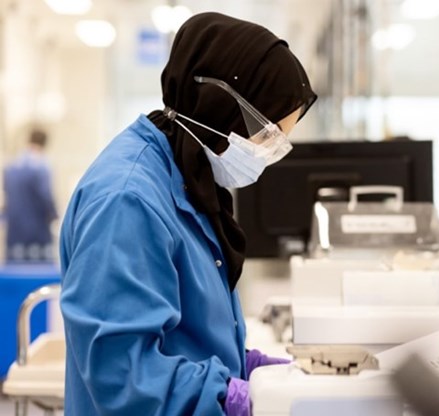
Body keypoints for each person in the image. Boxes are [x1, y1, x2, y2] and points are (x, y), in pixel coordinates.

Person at [59, 12, 316, 416]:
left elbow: (188, 331)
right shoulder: (128, 200)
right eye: (268, 135)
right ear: (221, 105)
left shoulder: (186, 177)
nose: (269, 153)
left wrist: (251, 371)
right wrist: (232, 398)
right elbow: (123, 375)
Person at [3, 128, 58, 263]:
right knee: (38, 276)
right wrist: (55, 216)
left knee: (15, 275)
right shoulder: (41, 167)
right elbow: (46, 196)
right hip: (37, 233)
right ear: (45, 144)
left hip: (15, 231)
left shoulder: (12, 165)